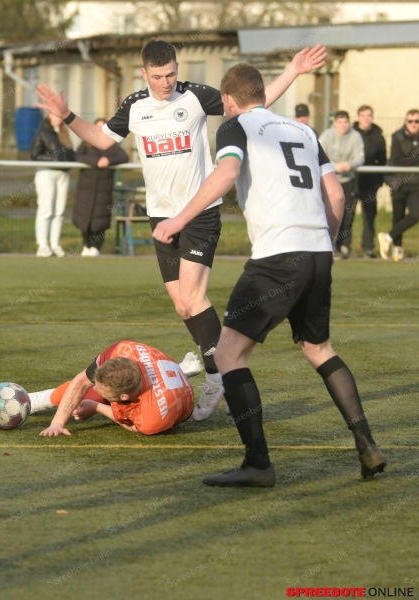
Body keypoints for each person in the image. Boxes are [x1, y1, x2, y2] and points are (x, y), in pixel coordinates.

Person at [36, 40, 326, 421]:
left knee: (192, 297)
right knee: (181, 304)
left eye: (171, 73)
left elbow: (251, 103)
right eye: (157, 76)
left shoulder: (194, 97)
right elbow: (101, 138)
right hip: (162, 218)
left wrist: (293, 70)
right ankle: (210, 358)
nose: (165, 82)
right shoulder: (135, 106)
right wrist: (69, 115)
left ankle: (217, 375)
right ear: (144, 74)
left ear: (177, 67)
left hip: (200, 213)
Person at [154, 63, 386, 487]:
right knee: (319, 350)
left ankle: (258, 464)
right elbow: (333, 192)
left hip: (277, 256)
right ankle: (366, 444)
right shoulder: (304, 131)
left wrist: (177, 220)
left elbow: (225, 174)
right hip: (317, 251)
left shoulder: (235, 126)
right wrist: (325, 242)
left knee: (227, 354)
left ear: (227, 100)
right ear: (262, 93)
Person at [33, 343, 200, 436]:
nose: (96, 389)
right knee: (88, 390)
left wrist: (96, 407)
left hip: (167, 403)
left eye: (102, 389)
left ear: (125, 396)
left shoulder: (153, 417)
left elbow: (134, 425)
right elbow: (82, 381)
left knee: (93, 397)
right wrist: (57, 423)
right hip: (161, 373)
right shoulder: (122, 351)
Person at [73, 118, 128, 257]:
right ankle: (86, 245)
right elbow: (78, 156)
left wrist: (108, 160)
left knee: (100, 219)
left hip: (103, 189)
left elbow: (124, 157)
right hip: (86, 188)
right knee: (85, 217)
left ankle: (96, 247)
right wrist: (95, 162)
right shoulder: (86, 144)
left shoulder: (112, 145)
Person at [319, 111, 364, 259]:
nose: (343, 126)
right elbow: (317, 155)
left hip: (348, 180)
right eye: (339, 122)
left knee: (347, 214)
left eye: (345, 122)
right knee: (329, 213)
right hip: (329, 180)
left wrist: (348, 165)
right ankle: (327, 246)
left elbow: (360, 158)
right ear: (334, 123)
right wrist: (334, 166)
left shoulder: (355, 136)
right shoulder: (326, 136)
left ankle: (344, 246)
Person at [31, 112, 76, 258]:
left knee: (59, 211)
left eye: (59, 115)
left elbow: (71, 154)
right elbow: (35, 154)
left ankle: (55, 244)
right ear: (49, 116)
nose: (57, 117)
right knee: (46, 209)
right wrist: (55, 160)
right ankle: (42, 245)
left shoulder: (64, 133)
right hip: (46, 173)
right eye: (54, 115)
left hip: (63, 174)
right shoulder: (42, 132)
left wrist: (68, 161)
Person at [378, 109, 419, 262]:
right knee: (398, 216)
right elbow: (396, 160)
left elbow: (405, 159)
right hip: (399, 183)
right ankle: (397, 250)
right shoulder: (398, 136)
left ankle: (387, 237)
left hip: (416, 184)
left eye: (417, 121)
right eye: (411, 121)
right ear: (405, 121)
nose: (414, 124)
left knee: (416, 215)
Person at [353, 105, 387, 258]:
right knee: (347, 215)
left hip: (370, 182)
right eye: (363, 115)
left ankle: (368, 247)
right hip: (352, 180)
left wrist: (378, 182)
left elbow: (382, 160)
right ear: (358, 117)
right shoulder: (351, 133)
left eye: (369, 115)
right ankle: (342, 247)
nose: (366, 119)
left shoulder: (378, 136)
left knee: (369, 215)